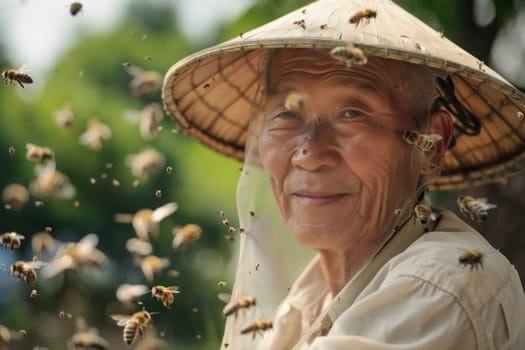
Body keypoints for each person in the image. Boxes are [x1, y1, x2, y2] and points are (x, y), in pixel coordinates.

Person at [162, 0, 525, 349]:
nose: (310, 154)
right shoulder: (306, 303)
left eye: (352, 113)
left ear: (430, 145)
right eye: (287, 113)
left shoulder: (442, 281)